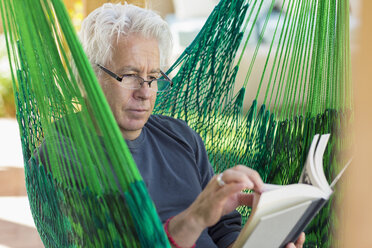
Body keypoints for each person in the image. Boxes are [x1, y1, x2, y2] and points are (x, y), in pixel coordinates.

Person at [73, 3, 306, 247]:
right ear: (89, 78)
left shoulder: (180, 137)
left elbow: (224, 229)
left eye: (153, 78)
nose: (145, 92)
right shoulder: (64, 156)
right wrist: (195, 218)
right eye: (130, 75)